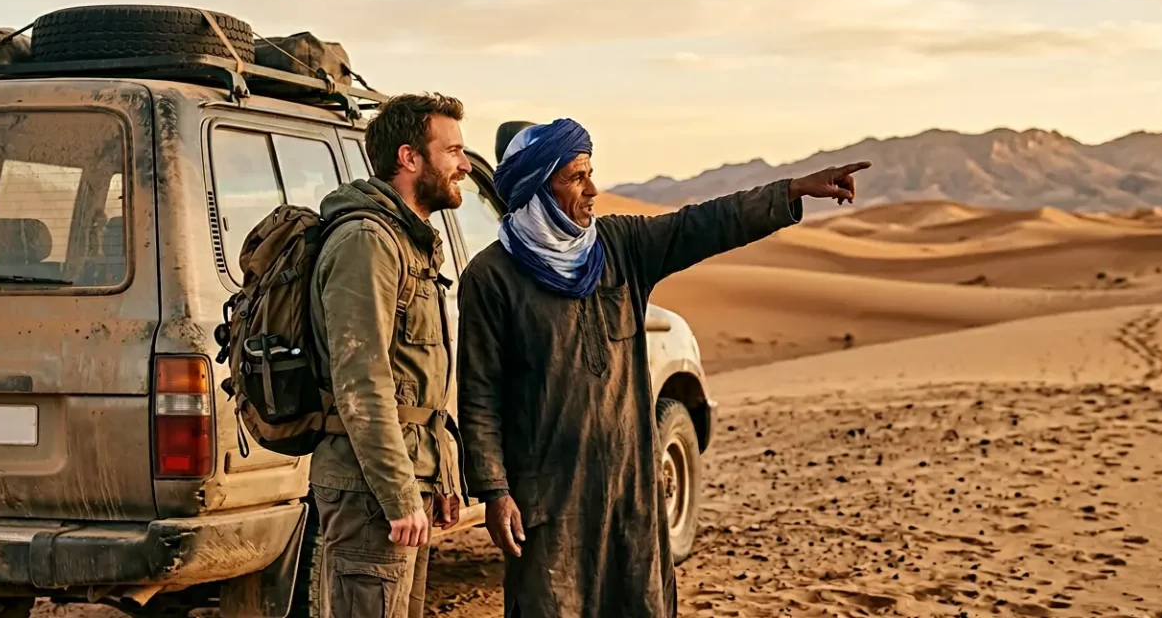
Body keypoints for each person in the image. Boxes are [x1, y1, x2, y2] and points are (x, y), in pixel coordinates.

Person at [456, 117, 871, 618]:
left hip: (632, 489)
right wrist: (495, 491)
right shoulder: (492, 275)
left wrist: (790, 192)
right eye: (575, 178)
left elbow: (704, 223)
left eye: (591, 172)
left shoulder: (619, 247)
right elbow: (480, 395)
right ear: (536, 188)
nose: (591, 190)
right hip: (551, 500)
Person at [308, 93, 471, 618]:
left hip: (401, 480)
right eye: (452, 152)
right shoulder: (367, 241)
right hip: (368, 493)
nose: (464, 166)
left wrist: (439, 476)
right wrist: (400, 495)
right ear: (409, 158)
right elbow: (363, 382)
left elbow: (419, 381)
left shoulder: (409, 240)